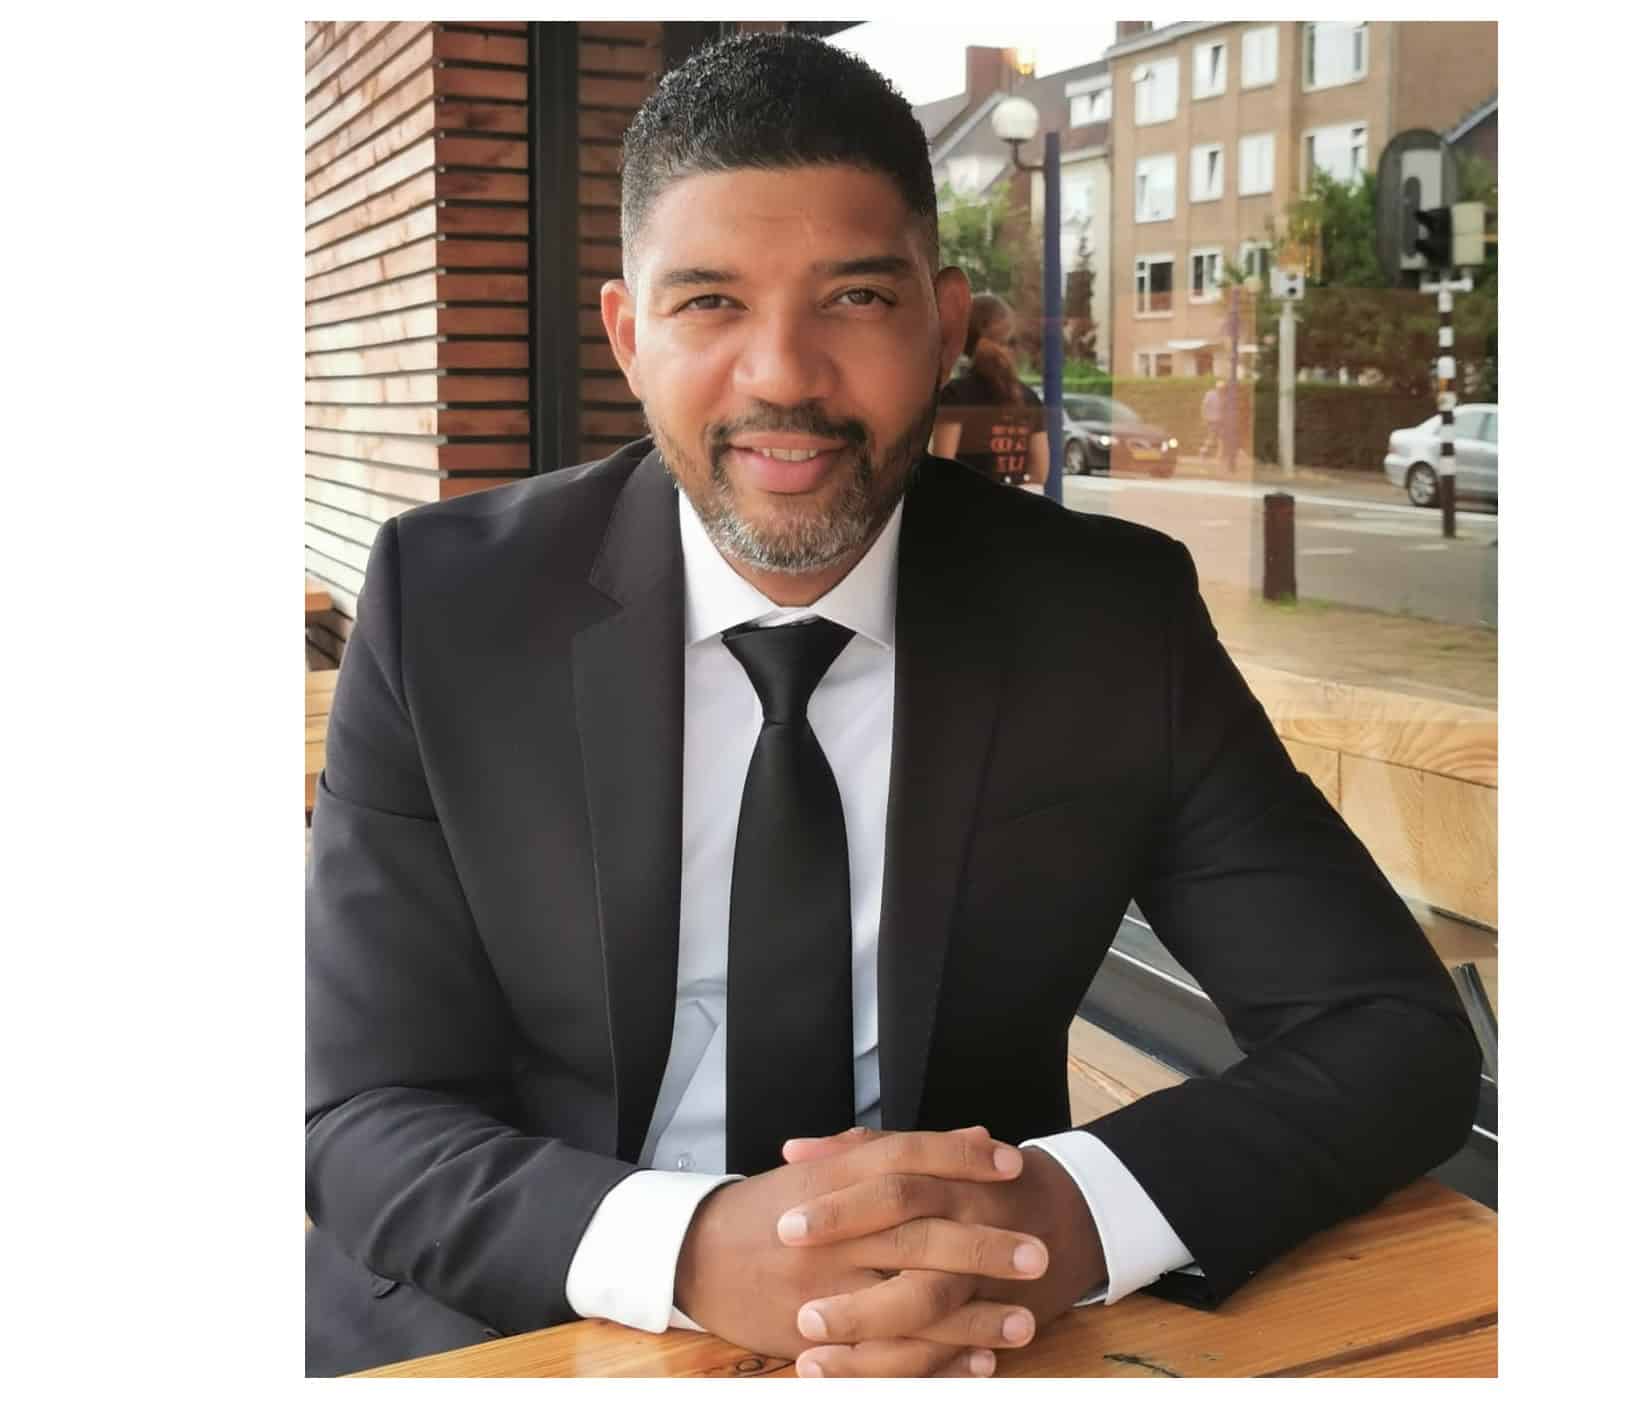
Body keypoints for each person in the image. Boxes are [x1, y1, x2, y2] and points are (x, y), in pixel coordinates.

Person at [306, 32, 1480, 1380]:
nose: (782, 375)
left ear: (943, 323)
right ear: (629, 335)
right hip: (532, 1315)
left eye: (856, 297)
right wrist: (688, 1248)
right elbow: (358, 1107)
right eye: (709, 303)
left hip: (970, 1329)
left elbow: (1387, 1036)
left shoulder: (1105, 618)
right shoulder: (450, 605)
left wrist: (1061, 1216)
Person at [930, 294, 1047, 486]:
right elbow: (1040, 474)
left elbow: (943, 469)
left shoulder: (955, 395)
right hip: (1016, 503)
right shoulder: (1030, 398)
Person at [1200, 379, 1225, 458]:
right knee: (1212, 437)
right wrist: (1204, 417)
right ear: (1216, 387)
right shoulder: (1210, 394)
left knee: (1221, 437)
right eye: (1220, 388)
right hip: (1212, 420)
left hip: (1220, 420)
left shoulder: (1223, 395)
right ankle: (1203, 451)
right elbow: (1204, 406)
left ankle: (1219, 455)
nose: (1221, 390)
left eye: (1222, 388)